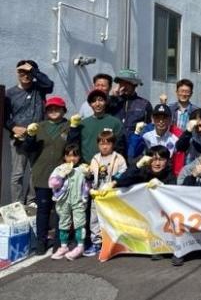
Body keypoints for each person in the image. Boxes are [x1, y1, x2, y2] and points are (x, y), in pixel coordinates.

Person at [21, 96, 81, 254]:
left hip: (63, 176)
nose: (54, 111)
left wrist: (74, 129)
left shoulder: (68, 126)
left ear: (64, 110)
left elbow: (73, 146)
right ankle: (41, 241)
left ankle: (59, 242)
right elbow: (27, 148)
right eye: (50, 108)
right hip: (42, 175)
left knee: (62, 211)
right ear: (46, 111)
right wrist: (30, 136)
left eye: (57, 108)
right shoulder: (39, 126)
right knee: (43, 210)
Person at [5, 59, 54, 204]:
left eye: (29, 72)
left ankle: (31, 202)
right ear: (17, 73)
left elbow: (49, 84)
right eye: (22, 72)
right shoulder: (10, 94)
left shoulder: (40, 89)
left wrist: (33, 70)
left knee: (36, 171)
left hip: (39, 137)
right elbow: (4, 116)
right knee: (17, 174)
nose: (25, 75)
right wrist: (13, 127)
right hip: (19, 139)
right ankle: (17, 204)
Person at [84, 129, 128, 257]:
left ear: (113, 144)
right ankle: (96, 243)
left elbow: (124, 174)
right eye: (101, 143)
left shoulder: (118, 158)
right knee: (94, 220)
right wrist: (87, 175)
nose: (104, 146)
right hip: (97, 195)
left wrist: (113, 183)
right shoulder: (95, 158)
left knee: (112, 219)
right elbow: (90, 176)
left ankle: (113, 243)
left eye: (108, 143)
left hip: (112, 195)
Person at [48, 143, 89, 260]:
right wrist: (61, 175)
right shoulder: (59, 169)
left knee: (80, 223)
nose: (72, 158)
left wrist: (88, 175)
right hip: (63, 201)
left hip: (78, 200)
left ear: (79, 157)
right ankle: (64, 246)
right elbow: (52, 184)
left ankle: (80, 246)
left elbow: (88, 184)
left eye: (75, 156)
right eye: (69, 156)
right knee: (63, 223)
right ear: (65, 157)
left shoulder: (82, 169)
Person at [127, 103, 185, 176]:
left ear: (170, 119)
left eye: (164, 118)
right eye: (157, 117)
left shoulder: (177, 135)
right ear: (152, 119)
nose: (161, 121)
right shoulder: (145, 132)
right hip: (148, 171)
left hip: (168, 173)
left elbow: (179, 160)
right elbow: (132, 155)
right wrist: (136, 133)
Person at [78, 88, 124, 163]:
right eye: (94, 101)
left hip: (108, 165)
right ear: (90, 104)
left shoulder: (115, 123)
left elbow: (119, 147)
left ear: (105, 102)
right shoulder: (83, 124)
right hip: (86, 166)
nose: (97, 104)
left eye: (101, 100)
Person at [109, 69, 153, 136]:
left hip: (135, 141)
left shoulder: (145, 104)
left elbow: (150, 127)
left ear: (134, 84)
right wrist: (113, 97)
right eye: (122, 83)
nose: (124, 86)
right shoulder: (112, 101)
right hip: (115, 140)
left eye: (127, 83)